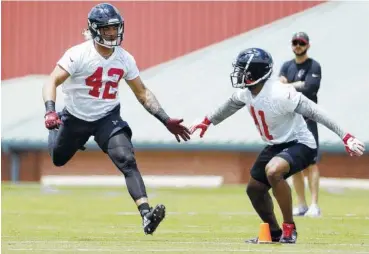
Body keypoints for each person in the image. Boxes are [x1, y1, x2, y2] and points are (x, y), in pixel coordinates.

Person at [42, 3, 191, 235]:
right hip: (75, 117)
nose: (112, 33)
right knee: (57, 159)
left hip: (106, 117)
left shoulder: (124, 58)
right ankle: (57, 128)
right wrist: (50, 111)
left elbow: (142, 93)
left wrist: (165, 119)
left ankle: (146, 215)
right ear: (94, 29)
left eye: (115, 28)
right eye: (106, 28)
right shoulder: (78, 54)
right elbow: (51, 80)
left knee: (127, 159)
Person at [190, 48, 365, 244]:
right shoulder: (246, 93)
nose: (238, 74)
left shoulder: (280, 93)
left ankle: (289, 229)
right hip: (276, 145)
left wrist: (346, 136)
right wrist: (207, 121)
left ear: (254, 73)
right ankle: (273, 233)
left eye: (242, 70)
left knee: (273, 171)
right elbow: (230, 104)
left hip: (301, 143)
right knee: (254, 190)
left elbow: (315, 112)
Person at [279, 32, 322, 217]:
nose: (298, 46)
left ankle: (314, 205)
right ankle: (302, 204)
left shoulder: (314, 65)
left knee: (311, 163)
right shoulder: (286, 66)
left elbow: (310, 87)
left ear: (308, 45)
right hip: (291, 120)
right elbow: (279, 86)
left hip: (308, 119)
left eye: (301, 43)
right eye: (295, 42)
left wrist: (290, 85)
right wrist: (296, 84)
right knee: (294, 164)